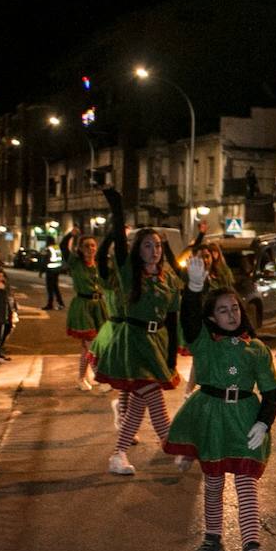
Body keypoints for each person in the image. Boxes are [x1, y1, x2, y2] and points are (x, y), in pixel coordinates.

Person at [164, 254, 276, 551]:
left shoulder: (256, 348)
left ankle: (252, 549)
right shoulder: (204, 341)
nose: (231, 314)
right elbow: (188, 321)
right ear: (212, 318)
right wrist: (194, 288)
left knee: (245, 484)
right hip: (212, 417)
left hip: (244, 417)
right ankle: (213, 538)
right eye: (222, 310)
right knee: (213, 483)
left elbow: (272, 390)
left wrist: (263, 421)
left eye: (235, 308)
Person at [91, 188, 181, 476]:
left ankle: (118, 453)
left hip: (157, 342)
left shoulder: (168, 279)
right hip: (133, 342)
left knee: (140, 403)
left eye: (156, 245)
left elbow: (173, 319)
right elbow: (117, 243)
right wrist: (117, 209)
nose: (153, 250)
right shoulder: (130, 274)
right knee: (153, 396)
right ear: (137, 250)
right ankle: (172, 445)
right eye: (147, 246)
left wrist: (171, 356)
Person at [63, 229, 109, 391]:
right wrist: (70, 235)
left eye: (93, 245)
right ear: (80, 249)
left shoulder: (99, 264)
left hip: (99, 307)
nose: (90, 249)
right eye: (86, 246)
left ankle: (81, 378)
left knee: (87, 348)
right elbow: (64, 247)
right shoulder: (76, 263)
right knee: (92, 345)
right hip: (83, 306)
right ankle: (100, 379)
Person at [42, 240, 66, 310]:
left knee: (50, 288)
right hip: (57, 270)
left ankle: (50, 304)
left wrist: (41, 270)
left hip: (50, 270)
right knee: (55, 287)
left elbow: (46, 259)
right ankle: (61, 303)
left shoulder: (49, 249)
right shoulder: (57, 248)